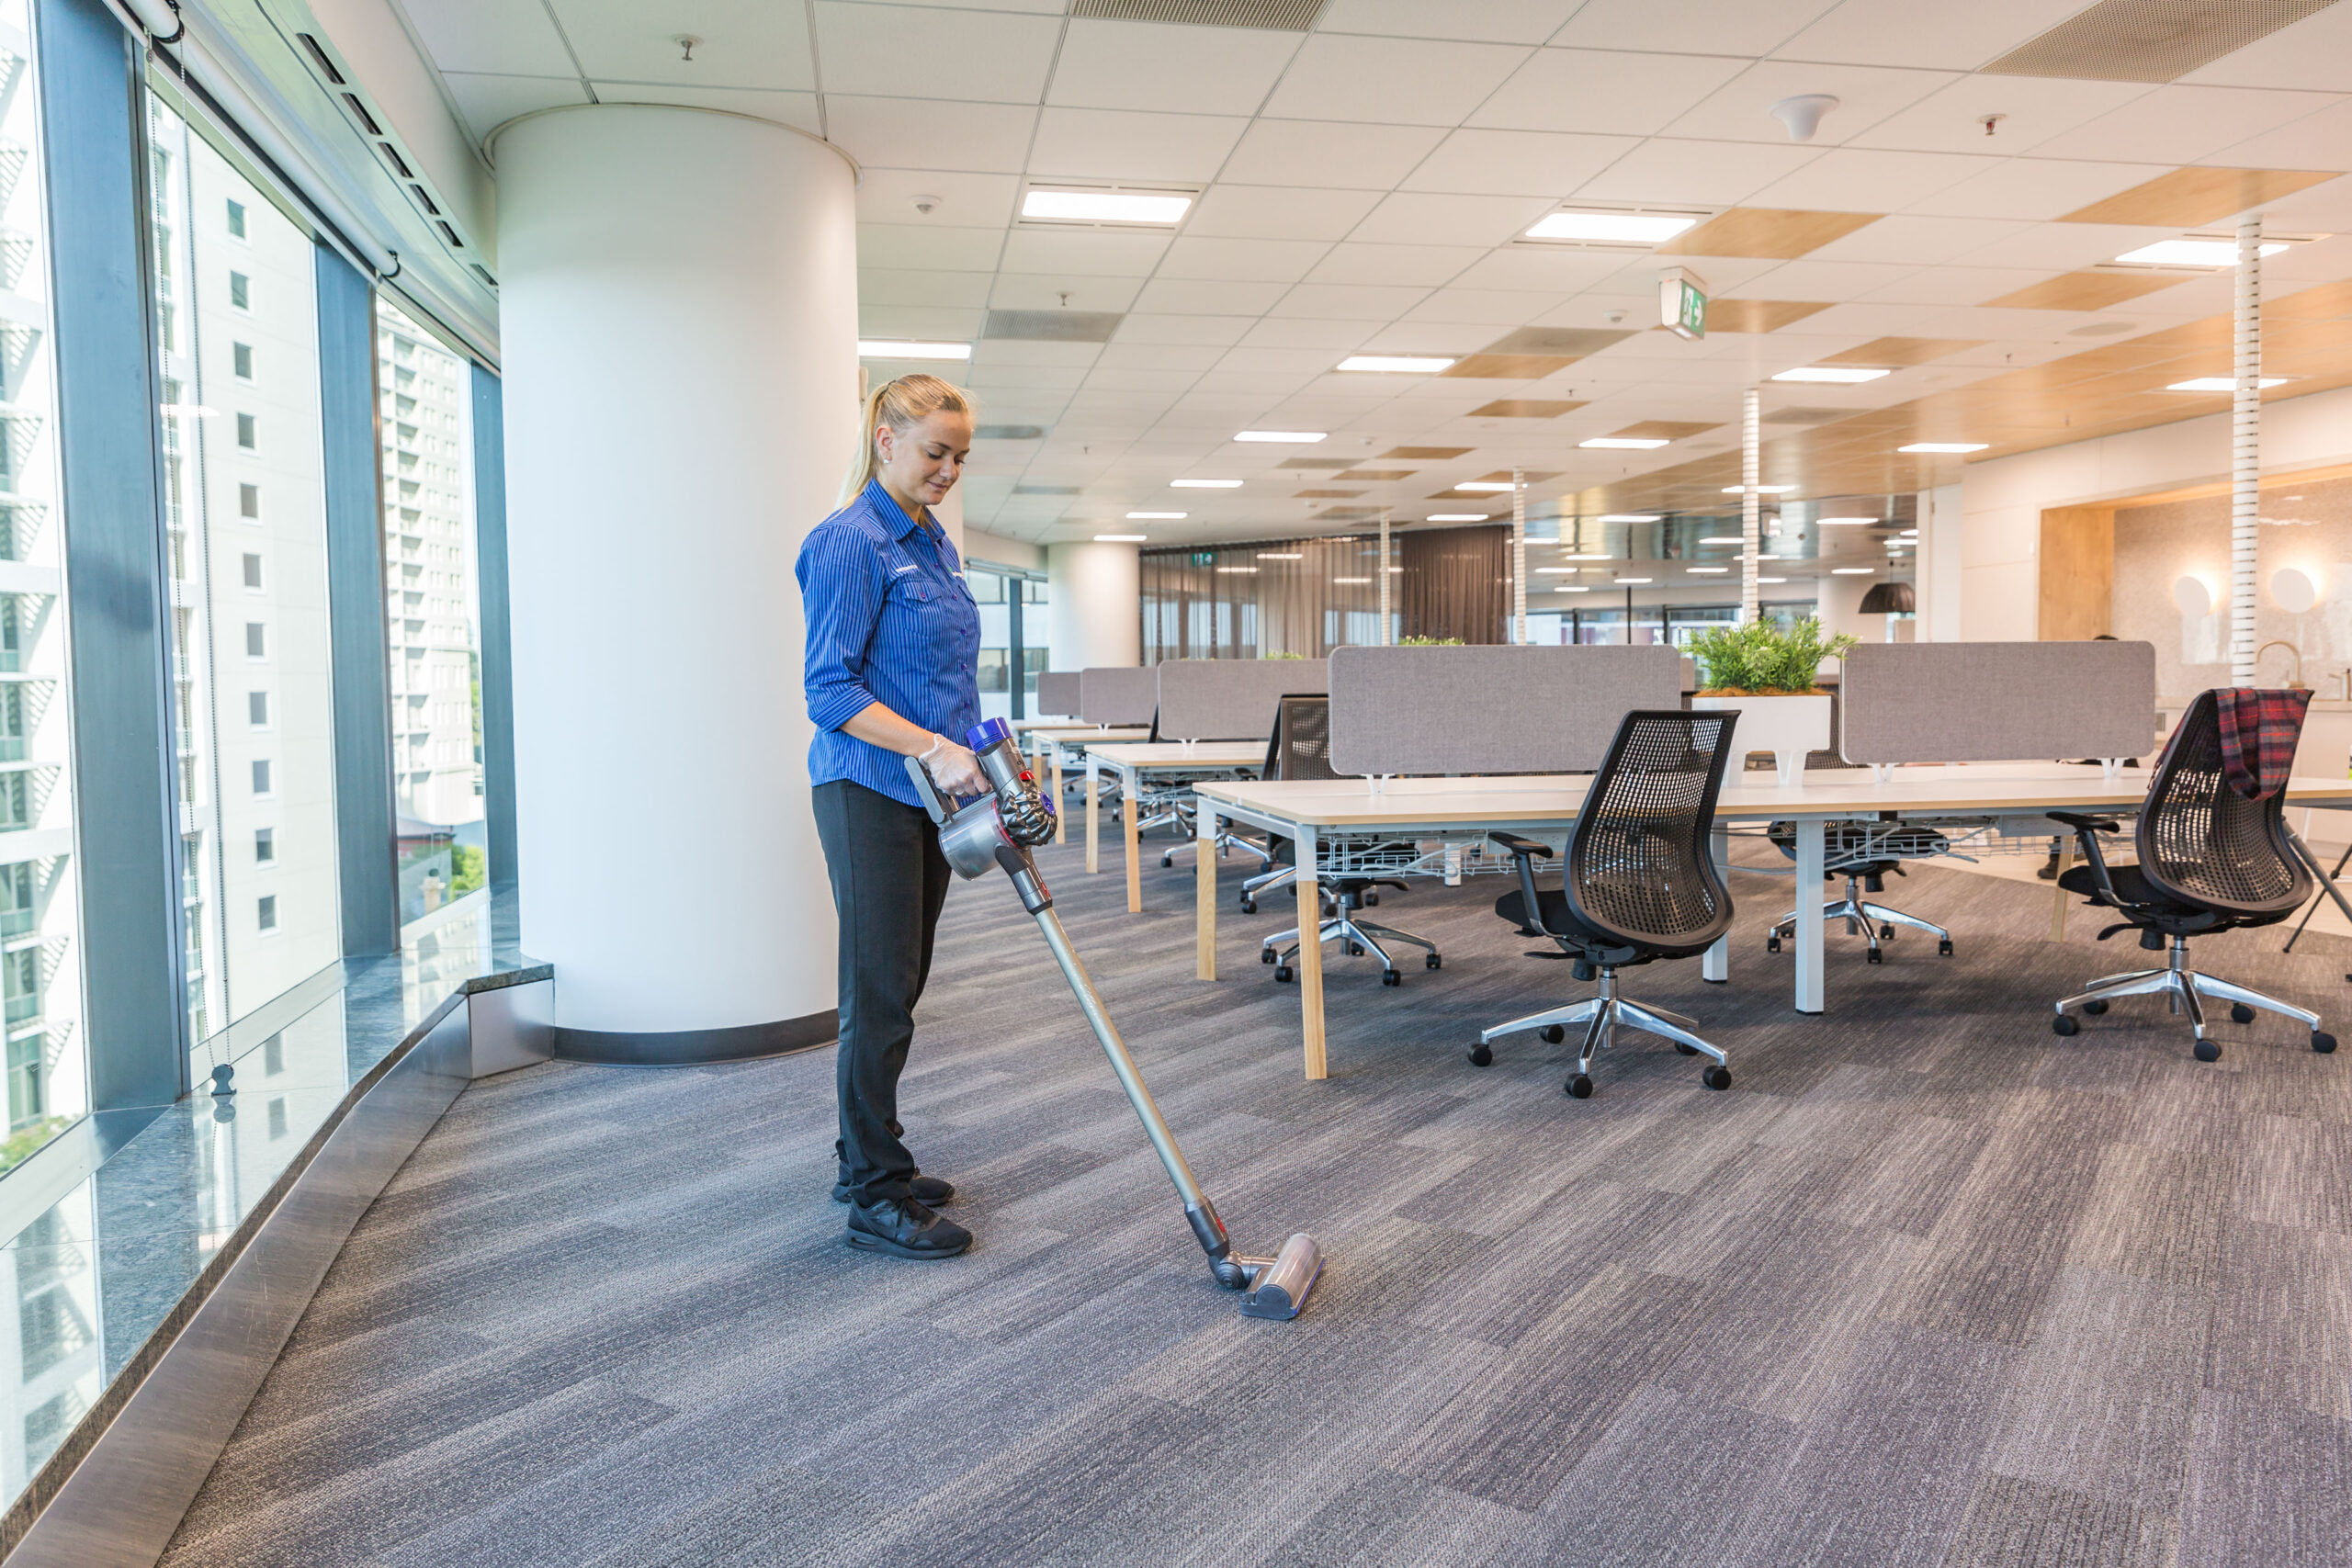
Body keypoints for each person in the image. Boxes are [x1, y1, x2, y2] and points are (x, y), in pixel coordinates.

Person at [797, 373, 986, 1261]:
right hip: (868, 787)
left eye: (958, 457)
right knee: (877, 994)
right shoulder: (848, 541)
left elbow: (944, 677)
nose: (948, 470)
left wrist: (979, 754)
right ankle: (873, 1193)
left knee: (900, 986)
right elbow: (830, 692)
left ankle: (864, 1152)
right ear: (885, 439)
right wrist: (929, 749)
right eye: (934, 452)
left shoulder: (934, 545)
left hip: (930, 794)